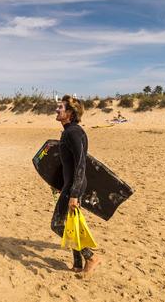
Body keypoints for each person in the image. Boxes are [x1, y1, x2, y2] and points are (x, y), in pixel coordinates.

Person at [51, 94, 100, 274]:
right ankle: (78, 264)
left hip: (74, 185)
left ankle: (91, 257)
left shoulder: (73, 132)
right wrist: (59, 183)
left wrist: (74, 193)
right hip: (70, 184)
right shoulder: (68, 132)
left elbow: (81, 163)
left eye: (60, 108)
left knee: (57, 224)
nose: (56, 110)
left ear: (70, 113)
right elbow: (67, 164)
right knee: (72, 224)